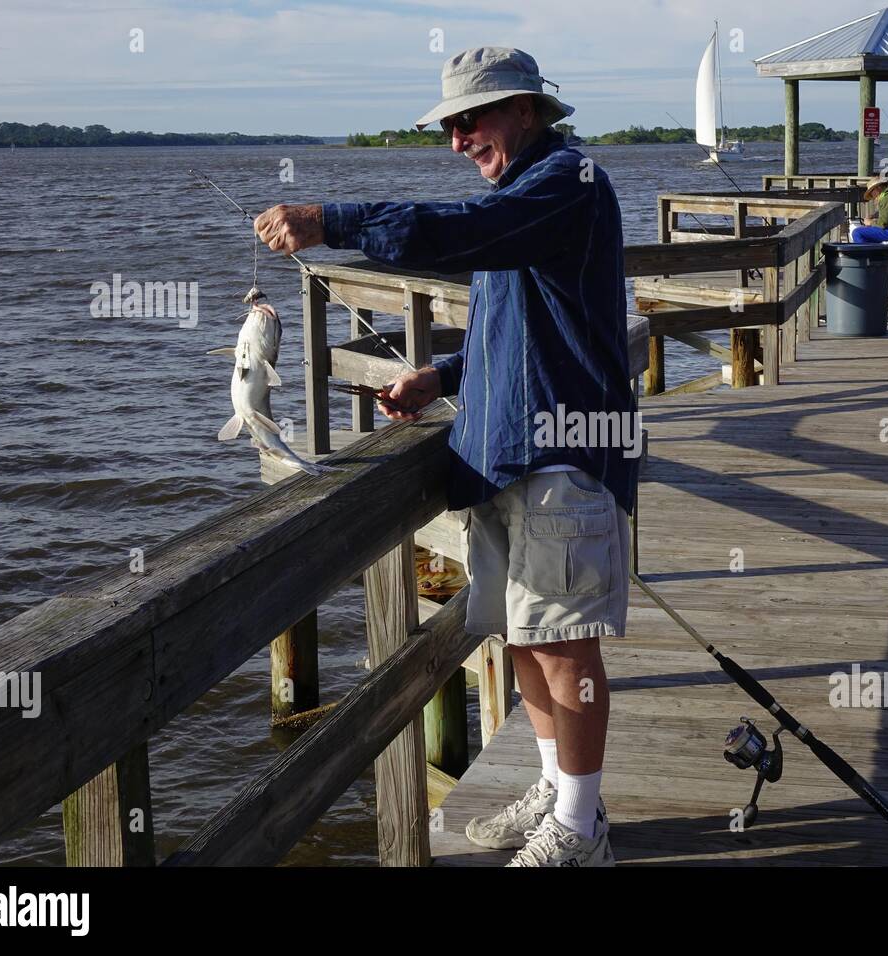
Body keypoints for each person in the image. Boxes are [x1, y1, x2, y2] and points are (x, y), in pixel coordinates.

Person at [254, 47, 634, 867]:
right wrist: (440, 376)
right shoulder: (520, 198)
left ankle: (583, 823)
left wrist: (335, 220)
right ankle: (552, 787)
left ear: (527, 110)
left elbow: (459, 235)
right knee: (524, 640)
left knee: (567, 648)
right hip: (500, 457)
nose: (460, 138)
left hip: (563, 457)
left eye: (474, 119)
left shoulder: (568, 184)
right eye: (451, 127)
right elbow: (516, 320)